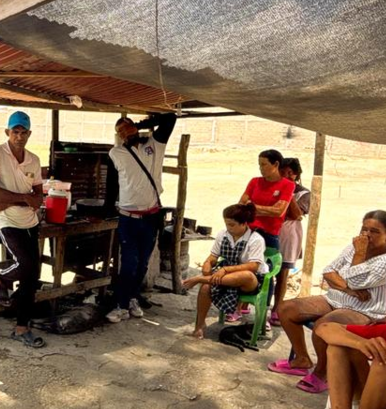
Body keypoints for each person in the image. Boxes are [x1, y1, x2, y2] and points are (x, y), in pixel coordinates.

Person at [272, 210, 386, 393]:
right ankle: (302, 359)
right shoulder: (354, 246)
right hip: (336, 298)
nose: (367, 235)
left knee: (324, 325)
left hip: (364, 309)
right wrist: (349, 289)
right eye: (364, 229)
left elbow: (355, 279)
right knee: (287, 308)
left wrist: (357, 259)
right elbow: (328, 271)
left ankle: (322, 373)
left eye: (374, 231)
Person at [106, 111, 177, 323]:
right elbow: (111, 186)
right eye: (120, 129)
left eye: (127, 126)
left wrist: (142, 123)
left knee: (143, 264)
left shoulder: (155, 145)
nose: (125, 131)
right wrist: (107, 209)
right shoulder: (116, 153)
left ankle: (132, 298)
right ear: (118, 135)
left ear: (135, 127)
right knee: (129, 263)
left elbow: (170, 118)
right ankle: (121, 305)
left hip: (151, 217)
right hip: (128, 218)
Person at [0, 111, 46, 348]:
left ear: (29, 134)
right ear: (7, 132)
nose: (19, 136)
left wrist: (11, 198)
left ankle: (22, 328)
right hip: (6, 219)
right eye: (15, 132)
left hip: (30, 221)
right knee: (26, 263)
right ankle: (0, 277)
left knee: (32, 275)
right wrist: (23, 198)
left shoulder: (34, 160)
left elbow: (38, 198)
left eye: (23, 132)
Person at [184, 203, 268, 338]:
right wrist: (207, 264)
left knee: (246, 275)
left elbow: (253, 266)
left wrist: (226, 269)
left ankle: (199, 279)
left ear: (244, 224)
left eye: (232, 225)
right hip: (224, 277)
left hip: (250, 282)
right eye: (227, 224)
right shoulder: (223, 234)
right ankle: (199, 325)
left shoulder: (256, 239)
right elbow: (213, 256)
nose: (228, 228)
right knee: (206, 288)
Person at [272, 157, 310, 326]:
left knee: (282, 274)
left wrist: (287, 192)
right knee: (263, 271)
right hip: (271, 232)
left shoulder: (304, 193)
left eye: (289, 173)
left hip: (289, 235)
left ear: (296, 174)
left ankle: (276, 310)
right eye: (282, 172)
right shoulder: (272, 187)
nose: (285, 175)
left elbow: (295, 214)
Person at [239, 149, 296, 252]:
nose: (261, 168)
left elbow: (278, 211)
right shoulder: (254, 182)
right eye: (259, 165)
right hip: (248, 231)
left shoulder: (288, 185)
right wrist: (267, 210)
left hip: (269, 234)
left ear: (276, 164)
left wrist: (253, 207)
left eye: (264, 165)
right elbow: (241, 206)